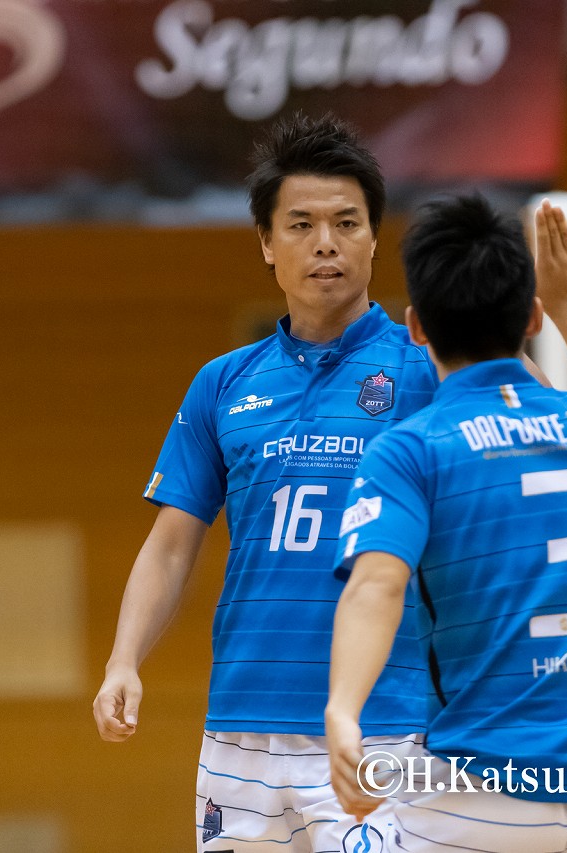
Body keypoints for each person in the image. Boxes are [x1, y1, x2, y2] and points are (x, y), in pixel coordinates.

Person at [93, 112, 444, 852]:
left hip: (381, 726)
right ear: (266, 242)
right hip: (239, 732)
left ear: (374, 238)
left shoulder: (425, 366)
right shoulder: (223, 383)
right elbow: (171, 545)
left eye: (347, 223)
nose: (326, 243)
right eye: (302, 225)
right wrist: (124, 659)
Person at [325, 197, 567, 852]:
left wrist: (343, 709)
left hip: (484, 790)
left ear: (416, 326)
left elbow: (376, 585)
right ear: (533, 317)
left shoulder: (412, 449)